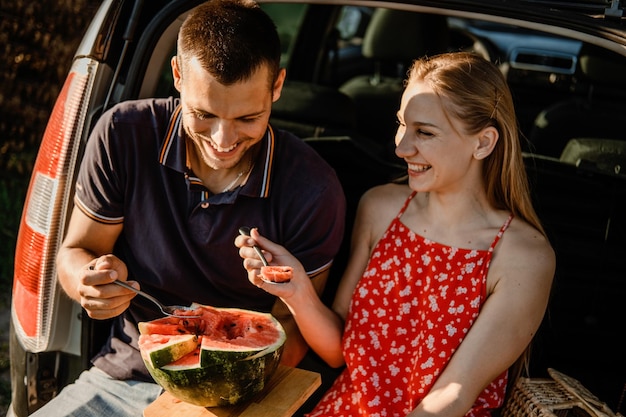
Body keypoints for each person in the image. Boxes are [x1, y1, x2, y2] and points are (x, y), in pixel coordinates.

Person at [38, 1, 346, 416]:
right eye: (203, 114)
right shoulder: (122, 134)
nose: (223, 139)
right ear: (178, 76)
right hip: (124, 377)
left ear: (277, 86)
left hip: (246, 394)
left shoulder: (313, 189)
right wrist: (87, 281)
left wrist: (221, 386)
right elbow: (76, 253)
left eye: (248, 118)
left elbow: (290, 328)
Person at [236, 52, 555, 417]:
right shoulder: (380, 207)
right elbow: (338, 350)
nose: (402, 147)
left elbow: (454, 394)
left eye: (426, 132)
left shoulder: (523, 256)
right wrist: (297, 290)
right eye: (402, 124)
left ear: (482, 143)